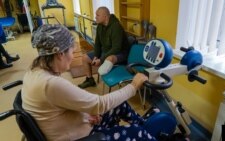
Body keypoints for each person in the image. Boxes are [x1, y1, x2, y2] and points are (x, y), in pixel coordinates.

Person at [22, 24, 177, 141]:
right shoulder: (50, 84)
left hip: (72, 126)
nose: (73, 55)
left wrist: (85, 115)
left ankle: (145, 127)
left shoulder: (34, 71)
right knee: (136, 133)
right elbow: (100, 104)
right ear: (60, 53)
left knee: (120, 104)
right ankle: (144, 134)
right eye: (71, 51)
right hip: (80, 137)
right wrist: (133, 86)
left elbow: (63, 105)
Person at [78, 6, 130, 89]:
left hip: (120, 53)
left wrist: (101, 59)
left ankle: (109, 74)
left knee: (109, 58)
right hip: (107, 51)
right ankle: (89, 80)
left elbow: (116, 48)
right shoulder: (100, 26)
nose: (95, 17)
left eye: (97, 15)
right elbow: (97, 44)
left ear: (105, 16)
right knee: (85, 58)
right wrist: (95, 56)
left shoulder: (116, 27)